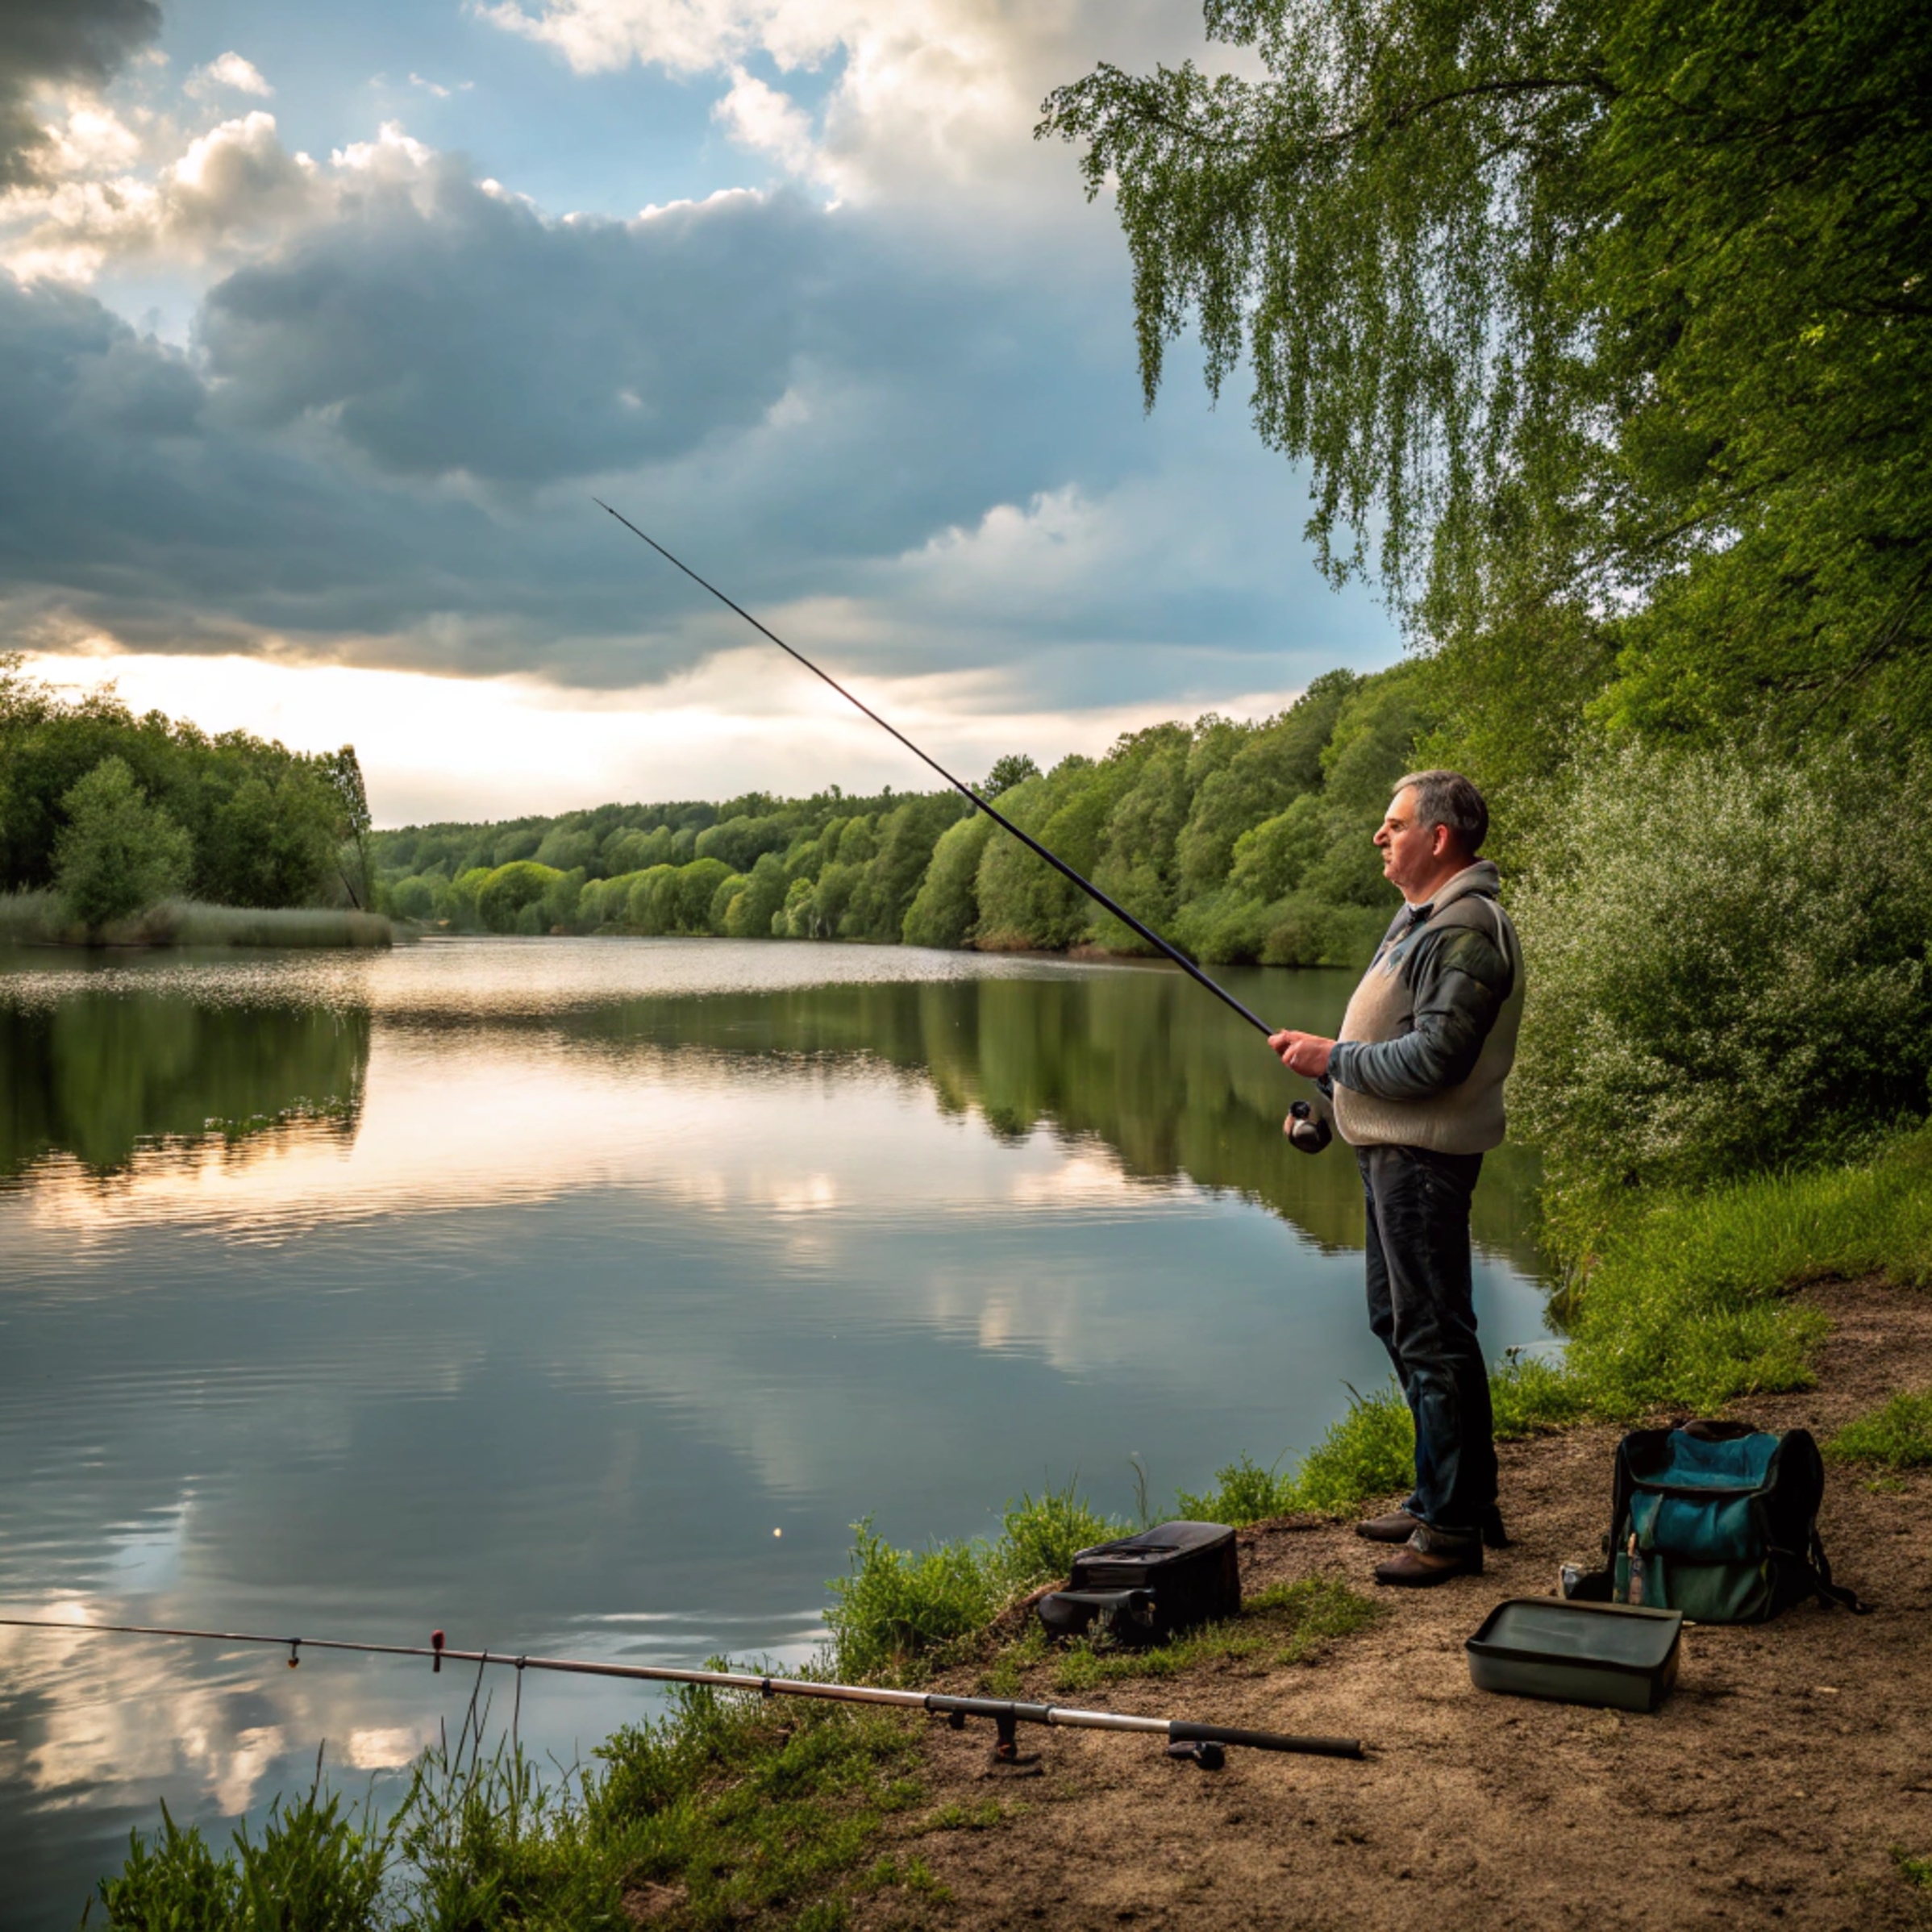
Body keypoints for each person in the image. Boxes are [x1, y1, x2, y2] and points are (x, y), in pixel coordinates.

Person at [1268, 770, 1523, 1586]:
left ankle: (1450, 1529)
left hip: (1423, 1161)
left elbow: (1436, 1058)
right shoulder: (1420, 920)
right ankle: (1449, 1495)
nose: (1379, 836)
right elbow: (1388, 1043)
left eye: (1392, 823)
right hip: (1391, 1151)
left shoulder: (1466, 927)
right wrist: (1326, 1102)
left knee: (1431, 1333)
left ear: (1437, 836)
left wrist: (1332, 1057)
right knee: (1402, 1321)